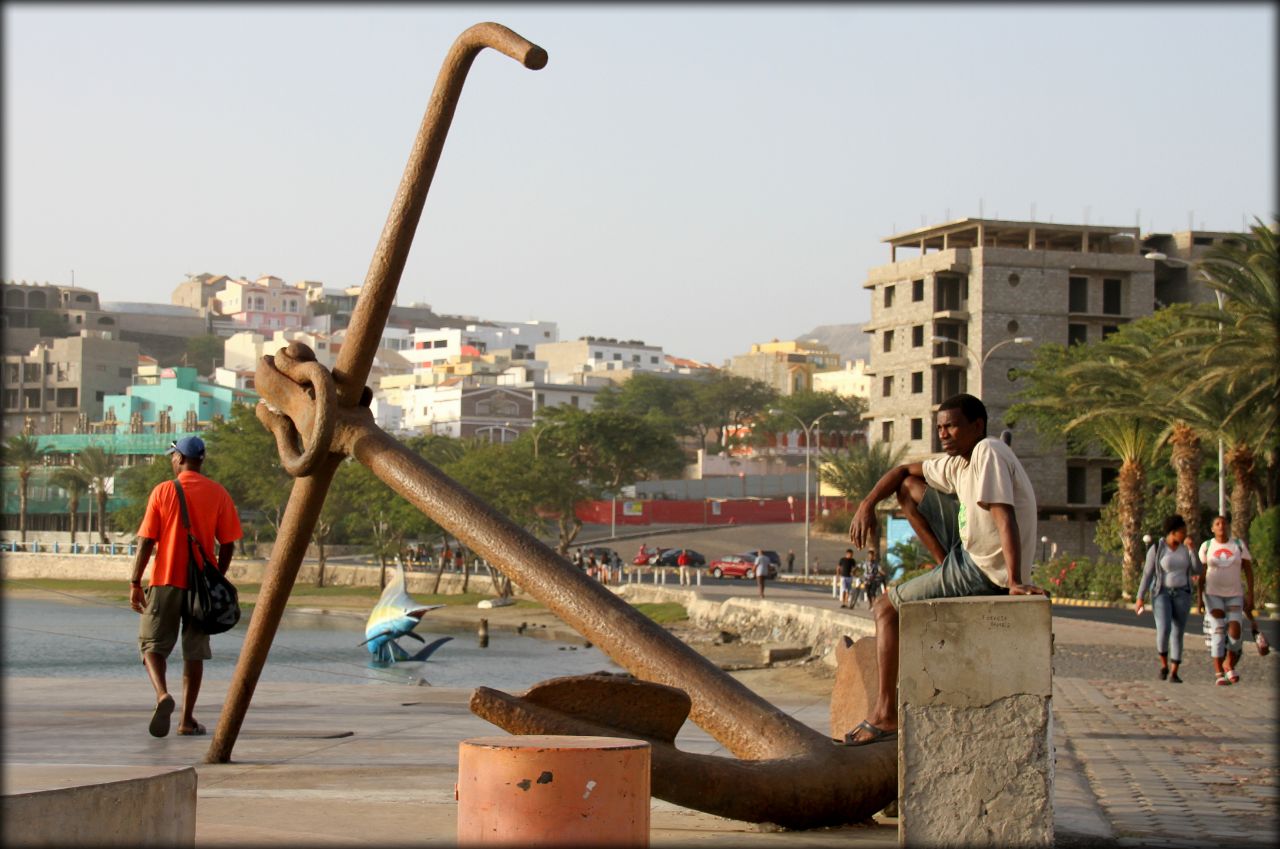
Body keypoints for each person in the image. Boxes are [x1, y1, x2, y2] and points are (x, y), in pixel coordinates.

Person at [842, 394, 1044, 746]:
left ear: (977, 426)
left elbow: (1003, 515)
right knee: (907, 487)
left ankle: (885, 714)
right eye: (939, 428)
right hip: (964, 556)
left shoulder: (988, 451)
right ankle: (943, 567)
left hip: (982, 571)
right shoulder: (959, 464)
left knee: (885, 609)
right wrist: (867, 504)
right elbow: (901, 472)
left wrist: (1014, 581)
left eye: (951, 426)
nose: (943, 434)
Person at [129, 436, 242, 738]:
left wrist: (135, 582)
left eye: (173, 455)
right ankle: (186, 720)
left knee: (151, 646)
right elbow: (229, 542)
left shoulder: (163, 491)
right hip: (201, 590)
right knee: (194, 653)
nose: (171, 460)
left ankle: (162, 694)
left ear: (180, 458)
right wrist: (217, 574)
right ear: (201, 460)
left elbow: (145, 542)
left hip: (165, 580)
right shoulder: (218, 493)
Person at [1135, 514, 1200, 683]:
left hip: (1182, 593)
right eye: (1182, 532)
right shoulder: (1157, 548)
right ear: (1173, 532)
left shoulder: (1186, 549)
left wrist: (1192, 550)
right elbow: (1147, 574)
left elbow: (1197, 569)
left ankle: (1174, 672)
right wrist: (1140, 597)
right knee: (1164, 629)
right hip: (1161, 593)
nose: (1184, 535)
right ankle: (1163, 664)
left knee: (1178, 631)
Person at [1197, 515, 1255, 685]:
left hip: (1234, 594)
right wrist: (1200, 599)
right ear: (1212, 529)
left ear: (1228, 526)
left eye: (1224, 523)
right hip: (1213, 594)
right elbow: (1201, 574)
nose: (1221, 525)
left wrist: (1250, 594)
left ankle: (1228, 663)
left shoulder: (1237, 545)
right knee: (1218, 630)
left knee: (1235, 631)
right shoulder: (1207, 546)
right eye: (1217, 523)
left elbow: (1248, 571)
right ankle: (1219, 672)